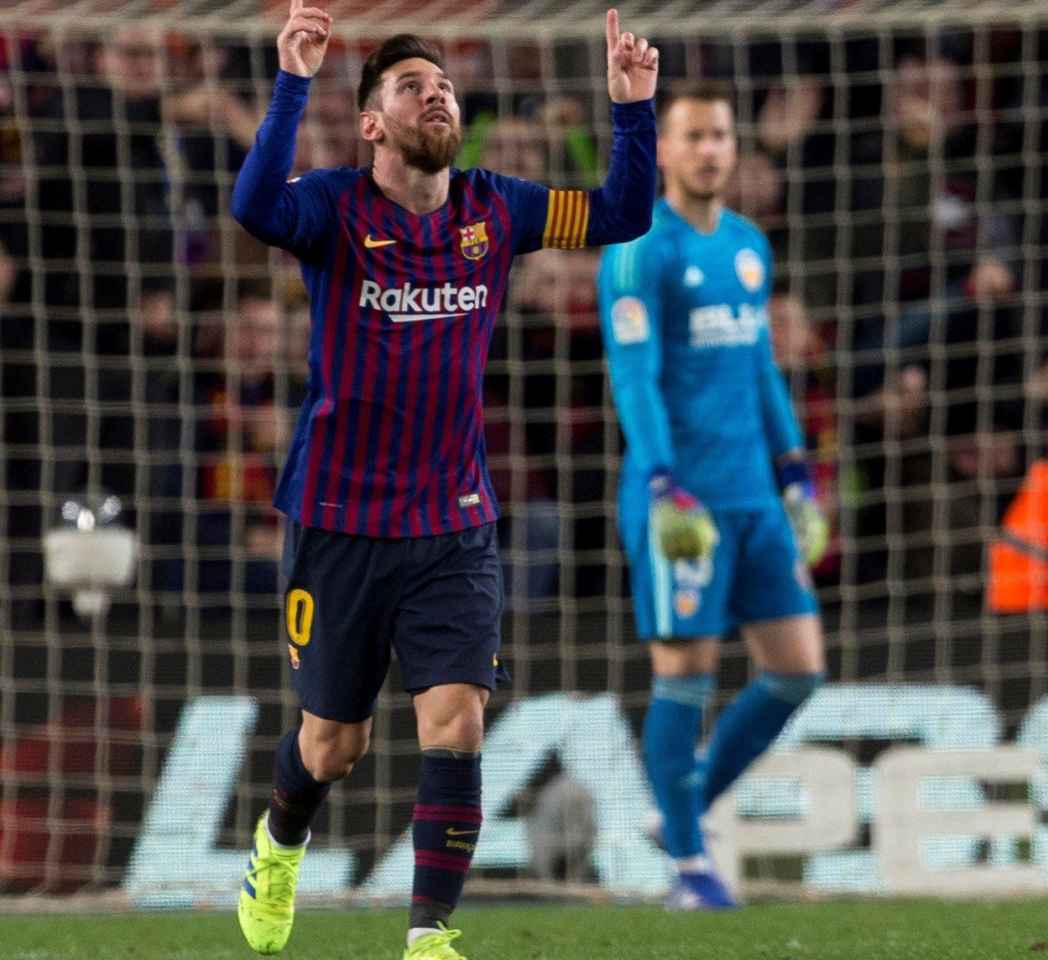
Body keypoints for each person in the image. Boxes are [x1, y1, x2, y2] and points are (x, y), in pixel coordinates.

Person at [228, 5, 657, 958]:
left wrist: (633, 107)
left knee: (456, 721)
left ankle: (429, 939)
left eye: (445, 84)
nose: (437, 95)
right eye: (411, 87)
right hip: (338, 519)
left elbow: (624, 213)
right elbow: (254, 209)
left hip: (454, 519)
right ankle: (279, 842)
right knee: (333, 745)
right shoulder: (334, 206)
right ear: (372, 124)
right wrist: (294, 79)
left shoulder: (496, 208)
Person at [598, 80, 829, 911]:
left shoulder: (747, 244)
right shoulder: (638, 248)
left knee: (798, 671)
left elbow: (760, 364)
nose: (709, 150)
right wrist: (663, 481)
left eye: (721, 136)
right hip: (681, 500)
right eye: (693, 136)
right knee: (684, 673)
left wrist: (795, 466)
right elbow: (636, 376)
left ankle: (682, 808)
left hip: (755, 500)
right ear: (662, 150)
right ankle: (691, 868)